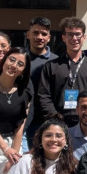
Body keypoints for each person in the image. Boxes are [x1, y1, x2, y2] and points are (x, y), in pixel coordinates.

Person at [38, 17, 87, 128]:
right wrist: (54, 119)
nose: (74, 38)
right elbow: (44, 95)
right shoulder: (51, 66)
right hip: (59, 124)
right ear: (64, 37)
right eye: (70, 34)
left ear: (84, 37)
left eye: (78, 34)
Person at [24, 17, 58, 148]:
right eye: (35, 33)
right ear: (28, 34)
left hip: (46, 120)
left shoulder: (56, 61)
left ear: (49, 37)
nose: (39, 37)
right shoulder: (18, 58)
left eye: (44, 34)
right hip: (23, 120)